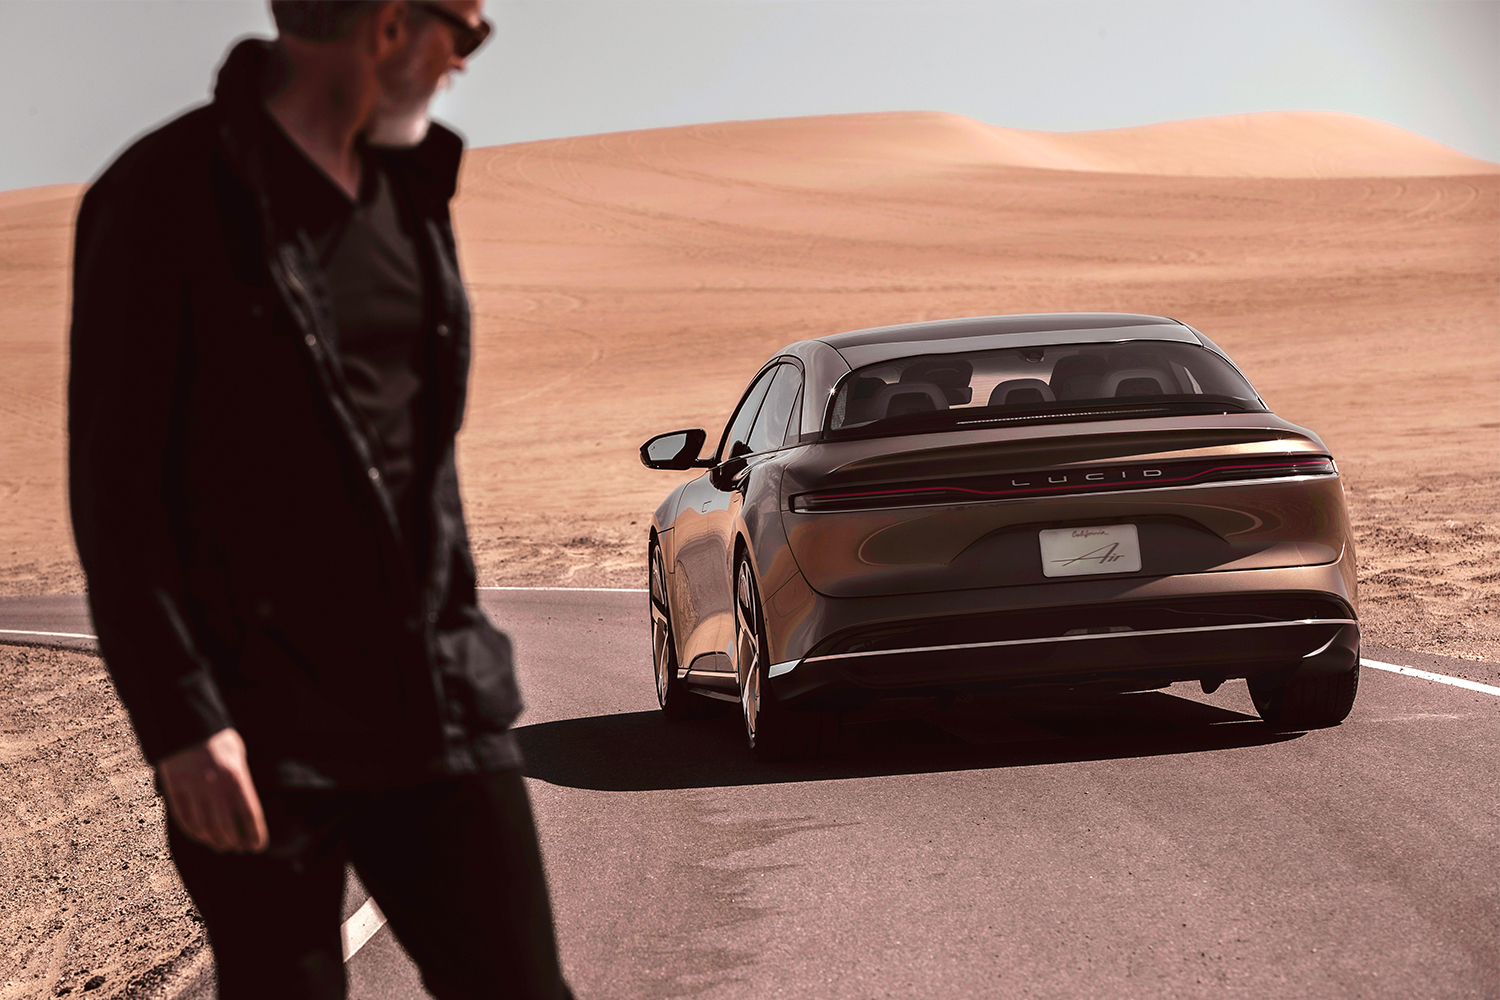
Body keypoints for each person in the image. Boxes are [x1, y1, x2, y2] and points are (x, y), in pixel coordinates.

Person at [68, 2, 575, 997]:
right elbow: (115, 489)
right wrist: (180, 720)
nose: (464, 64)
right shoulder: (162, 194)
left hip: (437, 709)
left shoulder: (408, 190)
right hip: (263, 734)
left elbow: (419, 463)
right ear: (390, 24)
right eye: (465, 33)